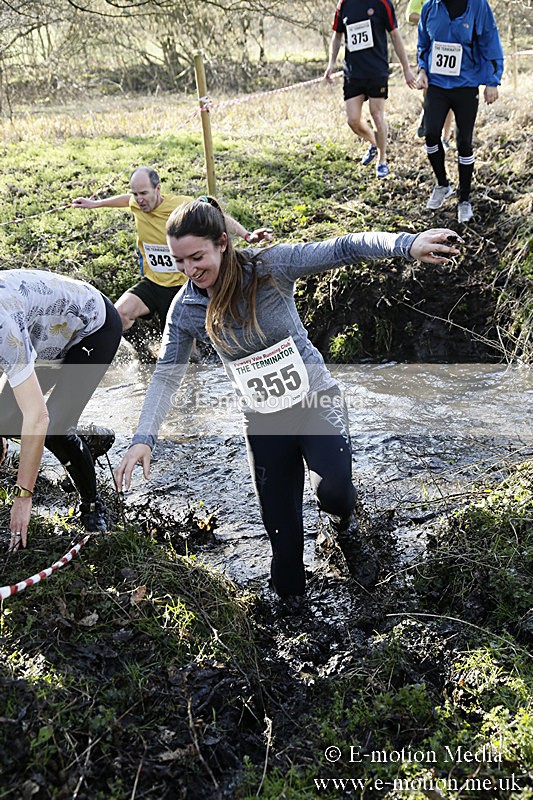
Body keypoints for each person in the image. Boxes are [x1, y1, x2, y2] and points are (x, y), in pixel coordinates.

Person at [114, 196, 461, 599]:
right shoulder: (186, 308)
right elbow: (166, 377)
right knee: (285, 547)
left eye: (197, 257)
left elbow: (343, 247)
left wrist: (407, 244)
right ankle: (293, 619)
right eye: (179, 262)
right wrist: (143, 437)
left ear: (222, 243)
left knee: (333, 493)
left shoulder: (271, 267)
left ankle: (345, 528)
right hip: (263, 421)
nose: (190, 271)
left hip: (317, 401)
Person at [70, 167, 272, 352]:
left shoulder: (179, 205)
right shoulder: (136, 204)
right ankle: (145, 357)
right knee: (117, 316)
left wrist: (247, 235)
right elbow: (125, 200)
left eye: (144, 193)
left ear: (158, 189)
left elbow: (216, 214)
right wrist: (95, 204)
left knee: (187, 355)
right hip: (153, 283)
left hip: (181, 286)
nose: (139, 200)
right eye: (135, 193)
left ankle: (196, 374)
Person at [0, 269, 122, 551]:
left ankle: (93, 508)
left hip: (93, 327)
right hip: (45, 338)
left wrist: (23, 497)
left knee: (53, 427)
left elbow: (37, 417)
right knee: (4, 421)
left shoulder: (4, 329)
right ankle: (81, 441)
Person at [416, 0, 504, 223]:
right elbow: (423, 44)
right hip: (436, 84)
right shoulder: (430, 8)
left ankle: (464, 199)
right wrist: (422, 69)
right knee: (431, 133)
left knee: (464, 142)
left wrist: (492, 81)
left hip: (466, 85)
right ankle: (443, 184)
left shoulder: (478, 6)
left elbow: (489, 41)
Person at [324, 0, 417, 178]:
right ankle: (375, 143)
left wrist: (406, 69)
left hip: (376, 71)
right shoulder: (343, 4)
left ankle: (382, 161)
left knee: (376, 115)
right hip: (353, 72)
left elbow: (395, 36)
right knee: (353, 120)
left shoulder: (383, 3)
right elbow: (337, 37)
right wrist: (330, 64)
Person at [406, 0, 454, 146]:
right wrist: (433, 18)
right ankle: (426, 113)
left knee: (451, 93)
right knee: (428, 93)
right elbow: (410, 15)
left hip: (452, 49)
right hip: (430, 50)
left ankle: (445, 138)